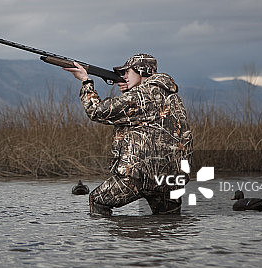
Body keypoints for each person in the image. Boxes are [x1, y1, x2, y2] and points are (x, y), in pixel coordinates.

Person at [64, 53, 192, 216]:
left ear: (142, 71)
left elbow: (97, 111)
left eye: (127, 72)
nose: (123, 76)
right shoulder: (172, 97)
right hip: (170, 178)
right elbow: (141, 117)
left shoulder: (139, 96)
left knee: (98, 200)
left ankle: (105, 242)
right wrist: (130, 90)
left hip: (138, 176)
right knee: (168, 223)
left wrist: (85, 81)